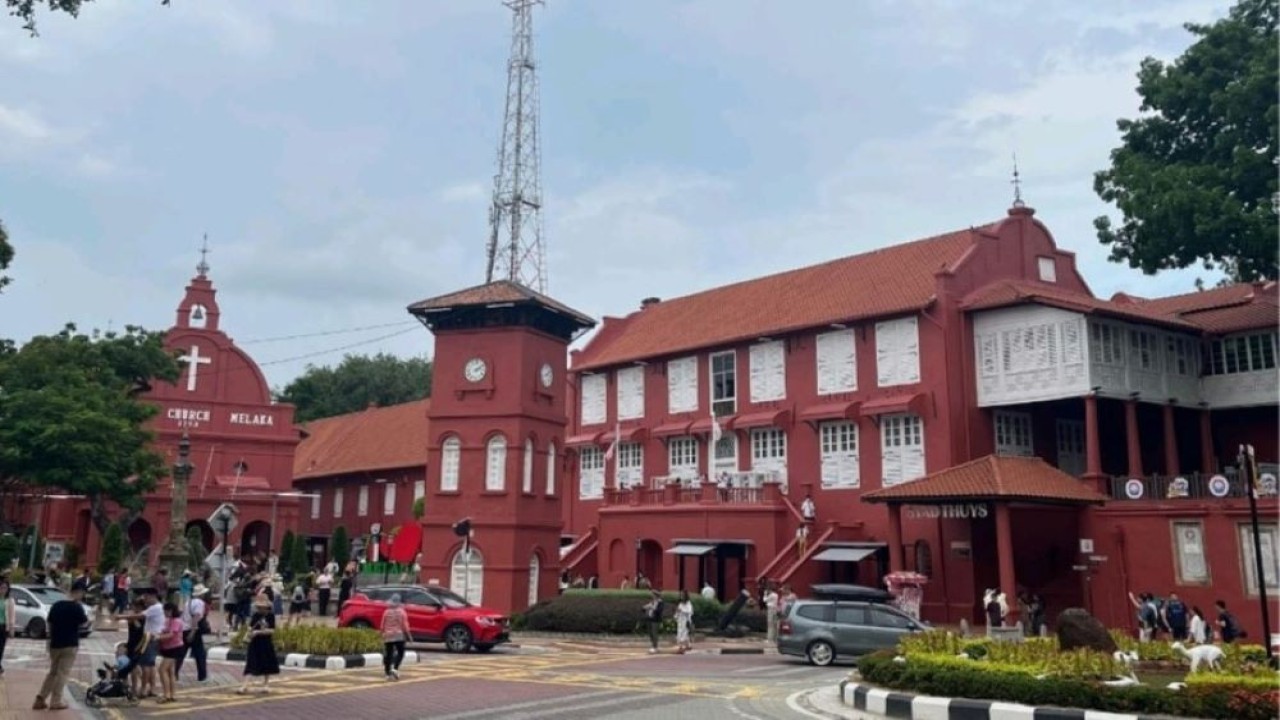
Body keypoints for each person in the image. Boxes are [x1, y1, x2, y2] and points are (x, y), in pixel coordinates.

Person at [32, 581, 89, 711]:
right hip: (70, 644)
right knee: (62, 674)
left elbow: (50, 623)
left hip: (55, 643)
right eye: (83, 593)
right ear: (79, 593)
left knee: (53, 672)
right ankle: (55, 701)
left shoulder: (56, 605)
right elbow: (84, 624)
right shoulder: (77, 607)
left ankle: (40, 699)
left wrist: (50, 638)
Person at [238, 595, 280, 694]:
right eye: (259, 607)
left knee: (266, 663)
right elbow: (250, 626)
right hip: (255, 642)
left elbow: (272, 630)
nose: (260, 609)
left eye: (262, 607)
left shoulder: (270, 616)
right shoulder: (256, 615)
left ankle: (266, 684)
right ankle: (245, 685)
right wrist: (250, 630)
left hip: (265, 642)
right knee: (250, 663)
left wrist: (259, 632)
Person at [156, 603, 184, 704]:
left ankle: (166, 694)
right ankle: (172, 694)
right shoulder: (168, 620)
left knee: (162, 670)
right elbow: (163, 630)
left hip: (175, 648)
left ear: (172, 610)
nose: (165, 613)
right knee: (170, 672)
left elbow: (172, 634)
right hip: (168, 648)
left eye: (167, 611)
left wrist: (158, 637)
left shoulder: (176, 621)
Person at [182, 584, 210, 682]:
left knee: (181, 653)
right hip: (194, 630)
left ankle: (174, 673)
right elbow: (196, 617)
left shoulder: (188, 602)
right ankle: (202, 676)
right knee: (200, 654)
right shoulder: (200, 603)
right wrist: (193, 632)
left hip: (185, 629)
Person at [380, 594, 409, 681]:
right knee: (401, 653)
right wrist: (409, 636)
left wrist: (381, 634)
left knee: (388, 654)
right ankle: (395, 668)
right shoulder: (402, 612)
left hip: (388, 636)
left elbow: (382, 625)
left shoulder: (386, 612)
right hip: (399, 636)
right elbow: (405, 625)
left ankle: (387, 673)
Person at [643, 589, 664, 654]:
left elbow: (659, 611)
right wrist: (645, 608)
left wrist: (652, 607)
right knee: (650, 633)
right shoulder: (652, 602)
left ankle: (655, 647)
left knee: (654, 633)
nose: (652, 596)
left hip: (656, 620)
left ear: (656, 595)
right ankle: (653, 645)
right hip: (650, 618)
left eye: (653, 595)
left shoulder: (660, 602)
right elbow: (647, 607)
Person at [0, 579, 13, 675]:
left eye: (5, 588)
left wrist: (11, 629)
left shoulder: (9, 601)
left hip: (3, 626)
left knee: (1, 647)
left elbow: (12, 615)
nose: (3, 589)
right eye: (1, 587)